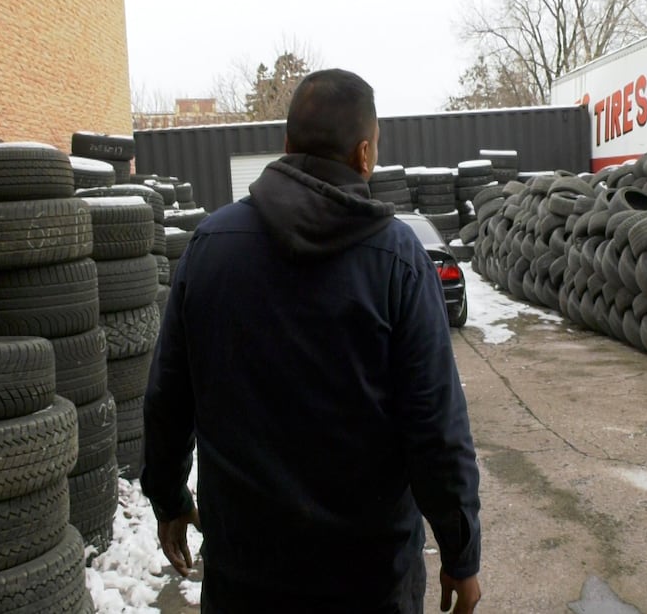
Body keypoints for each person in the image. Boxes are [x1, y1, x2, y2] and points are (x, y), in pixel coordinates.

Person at [141, 68, 481, 614]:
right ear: (365, 154)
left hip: (244, 578)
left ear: (286, 145)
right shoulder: (398, 262)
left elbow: (168, 398)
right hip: (371, 581)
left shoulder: (209, 248)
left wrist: (169, 497)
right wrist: (461, 552)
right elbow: (435, 426)